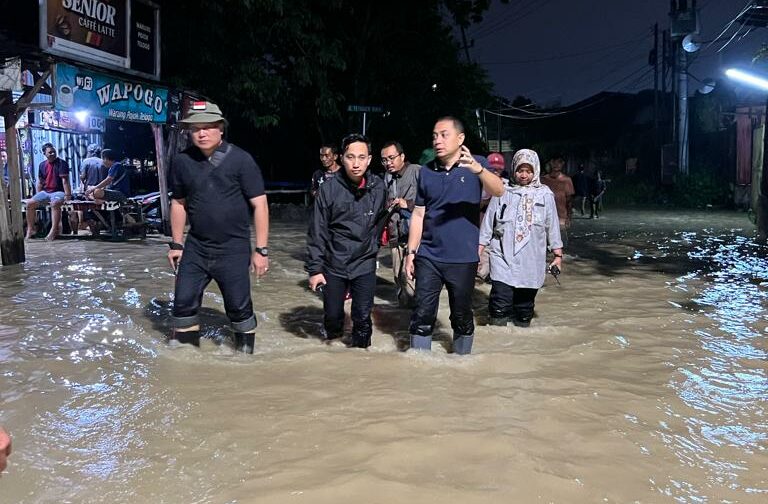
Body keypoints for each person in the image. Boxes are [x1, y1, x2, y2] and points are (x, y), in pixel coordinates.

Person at [167, 101, 269, 353]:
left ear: (221, 129)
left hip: (233, 248)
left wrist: (261, 250)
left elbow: (260, 205)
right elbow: (178, 203)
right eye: (195, 128)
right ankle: (185, 363)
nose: (202, 133)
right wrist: (176, 244)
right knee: (183, 303)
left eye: (209, 127)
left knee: (238, 307)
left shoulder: (241, 160)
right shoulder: (182, 161)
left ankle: (246, 365)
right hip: (197, 246)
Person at [404, 116, 504, 355]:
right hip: (428, 254)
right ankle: (419, 368)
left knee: (461, 313)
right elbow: (418, 214)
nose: (437, 140)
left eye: (444, 134)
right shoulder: (426, 173)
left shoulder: (476, 164)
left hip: (462, 258)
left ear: (460, 138)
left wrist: (478, 170)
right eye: (434, 136)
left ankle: (462, 364)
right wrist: (411, 253)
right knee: (422, 312)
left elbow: (499, 190)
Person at [306, 133, 387, 348]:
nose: (356, 163)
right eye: (351, 157)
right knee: (332, 317)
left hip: (365, 263)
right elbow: (317, 230)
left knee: (362, 317)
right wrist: (315, 270)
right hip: (335, 264)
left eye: (362, 157)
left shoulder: (378, 188)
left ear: (369, 159)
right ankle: (333, 356)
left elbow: (380, 220)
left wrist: (375, 245)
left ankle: (361, 362)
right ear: (341, 158)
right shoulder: (328, 190)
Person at [479, 149, 563, 327]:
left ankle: (521, 340)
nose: (524, 175)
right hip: (503, 255)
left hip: (532, 259)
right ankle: (498, 343)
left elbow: (552, 225)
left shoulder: (545, 195)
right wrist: (478, 249)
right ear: (514, 170)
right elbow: (488, 222)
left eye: (528, 171)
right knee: (499, 304)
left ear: (535, 171)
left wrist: (558, 255)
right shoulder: (502, 191)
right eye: (520, 170)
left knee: (524, 309)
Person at [381, 140, 420, 307]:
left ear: (402, 156)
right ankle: (403, 321)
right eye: (384, 160)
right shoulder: (387, 177)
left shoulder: (417, 172)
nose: (388, 163)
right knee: (398, 278)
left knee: (409, 277)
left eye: (391, 158)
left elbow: (432, 201)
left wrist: (408, 204)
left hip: (414, 235)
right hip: (395, 235)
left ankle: (416, 320)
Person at [25, 142, 72, 240]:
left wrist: (68, 195)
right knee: (29, 203)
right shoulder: (42, 165)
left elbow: (65, 181)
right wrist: (38, 196)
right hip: (46, 192)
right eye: (50, 152)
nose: (53, 154)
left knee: (55, 203)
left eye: (54, 152)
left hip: (59, 191)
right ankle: (30, 229)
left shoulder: (62, 163)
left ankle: (54, 230)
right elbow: (40, 182)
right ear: (45, 154)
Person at [477, 152, 505, 280]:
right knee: (480, 273)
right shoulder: (476, 185)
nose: (496, 172)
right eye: (493, 169)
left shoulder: (507, 186)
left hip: (499, 237)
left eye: (499, 169)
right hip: (480, 235)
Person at [541, 154, 574, 246]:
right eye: (553, 161)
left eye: (559, 162)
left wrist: (569, 218)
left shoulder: (567, 180)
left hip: (561, 220)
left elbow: (569, 201)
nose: (556, 164)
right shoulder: (543, 180)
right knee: (544, 248)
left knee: (562, 248)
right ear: (550, 163)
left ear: (562, 164)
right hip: (544, 219)